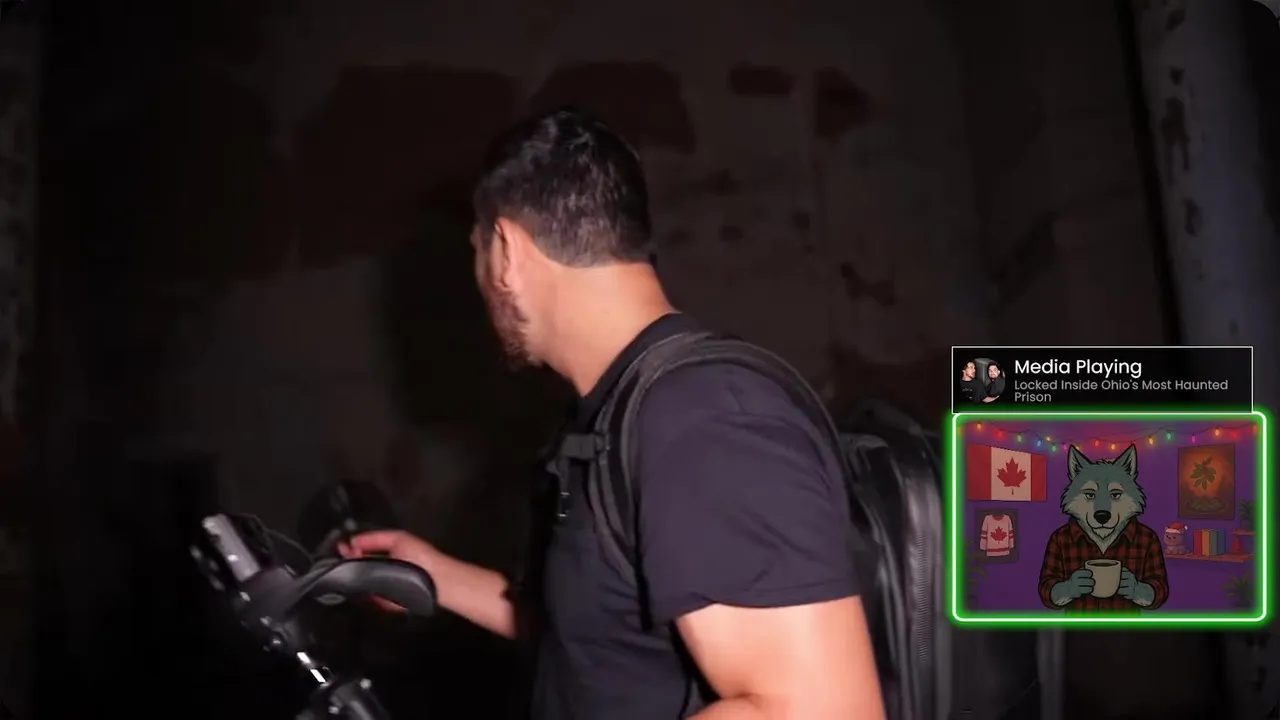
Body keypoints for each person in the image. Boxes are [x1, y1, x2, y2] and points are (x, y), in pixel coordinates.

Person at [341, 108, 884, 719]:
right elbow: (599, 640)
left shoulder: (704, 421)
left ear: (507, 250)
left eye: (477, 250)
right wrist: (435, 576)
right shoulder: (620, 413)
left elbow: (817, 710)